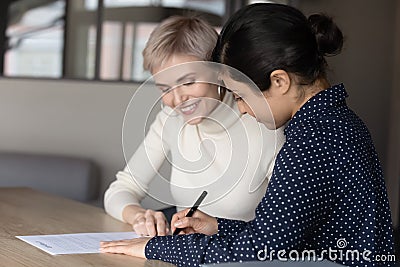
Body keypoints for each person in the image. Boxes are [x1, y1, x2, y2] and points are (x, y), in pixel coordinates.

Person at [100, 3, 395, 267]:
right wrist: (219, 227)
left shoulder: (312, 141)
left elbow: (260, 251)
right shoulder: (331, 124)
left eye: (240, 96)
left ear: (279, 81)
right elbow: (280, 236)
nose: (240, 109)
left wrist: (158, 247)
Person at [103, 15, 285, 237]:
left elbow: (284, 227)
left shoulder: (266, 126)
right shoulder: (169, 120)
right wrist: (139, 216)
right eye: (165, 88)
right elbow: (122, 189)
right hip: (185, 255)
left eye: (188, 82)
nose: (178, 99)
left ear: (218, 71)